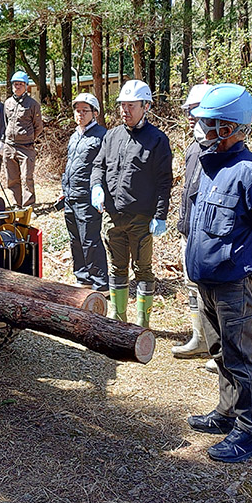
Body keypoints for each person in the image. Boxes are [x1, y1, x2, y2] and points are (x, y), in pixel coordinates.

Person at [184, 84, 252, 463]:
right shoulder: (211, 165)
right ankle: (227, 413)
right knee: (219, 350)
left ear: (228, 128)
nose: (200, 130)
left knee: (241, 355)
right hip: (208, 280)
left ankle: (250, 431)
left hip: (235, 282)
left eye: (208, 123)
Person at [91, 79, 173, 328]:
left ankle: (142, 322)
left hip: (141, 218)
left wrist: (160, 215)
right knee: (116, 268)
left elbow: (163, 181)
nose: (125, 111)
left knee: (143, 269)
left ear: (145, 106)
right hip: (113, 216)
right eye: (122, 105)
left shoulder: (157, 140)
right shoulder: (112, 135)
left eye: (131, 106)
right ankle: (118, 318)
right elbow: (99, 166)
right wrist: (96, 186)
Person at [172, 83, 212, 360]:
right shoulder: (192, 148)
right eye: (188, 109)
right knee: (191, 285)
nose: (189, 115)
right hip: (190, 230)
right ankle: (199, 338)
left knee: (210, 289)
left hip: (208, 234)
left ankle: (216, 345)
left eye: (195, 110)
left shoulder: (217, 148)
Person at [61, 92, 108, 291]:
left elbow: (106, 167)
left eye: (85, 111)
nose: (80, 114)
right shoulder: (74, 136)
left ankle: (100, 283)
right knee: (76, 240)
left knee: (90, 241)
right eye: (77, 111)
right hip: (70, 197)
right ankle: (83, 279)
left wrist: (101, 192)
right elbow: (71, 165)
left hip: (87, 198)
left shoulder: (102, 136)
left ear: (94, 113)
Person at [2, 71, 43, 208]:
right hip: (9, 146)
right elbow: (5, 123)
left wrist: (28, 138)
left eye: (20, 84)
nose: (17, 87)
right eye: (15, 84)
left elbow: (38, 127)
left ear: (26, 86)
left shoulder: (32, 104)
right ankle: (16, 204)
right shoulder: (7, 103)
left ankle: (28, 206)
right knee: (12, 178)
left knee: (27, 177)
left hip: (26, 147)